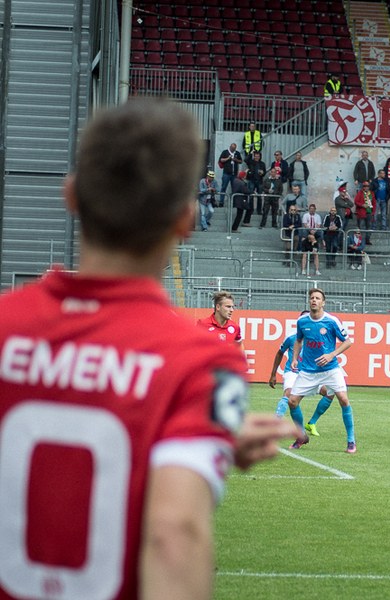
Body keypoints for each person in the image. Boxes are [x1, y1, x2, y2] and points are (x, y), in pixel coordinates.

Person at [0, 98, 295, 600]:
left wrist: (203, 431)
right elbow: (174, 535)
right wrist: (202, 435)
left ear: (71, 196)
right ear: (186, 219)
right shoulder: (201, 362)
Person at [287, 288, 357, 453]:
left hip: (330, 369)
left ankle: (351, 441)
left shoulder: (331, 321)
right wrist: (295, 358)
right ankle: (301, 436)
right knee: (292, 401)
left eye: (318, 298)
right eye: (312, 298)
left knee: (343, 399)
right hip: (308, 371)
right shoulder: (302, 321)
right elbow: (298, 341)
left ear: (323, 303)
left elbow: (348, 342)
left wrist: (331, 354)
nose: (314, 300)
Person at [217, 142, 243, 206]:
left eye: (234, 148)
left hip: (234, 174)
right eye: (232, 148)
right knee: (223, 187)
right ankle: (221, 202)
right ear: (230, 147)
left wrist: (235, 160)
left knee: (234, 188)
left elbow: (241, 161)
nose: (233, 149)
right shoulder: (225, 152)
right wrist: (228, 158)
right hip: (226, 173)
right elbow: (221, 160)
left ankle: (234, 203)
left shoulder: (237, 153)